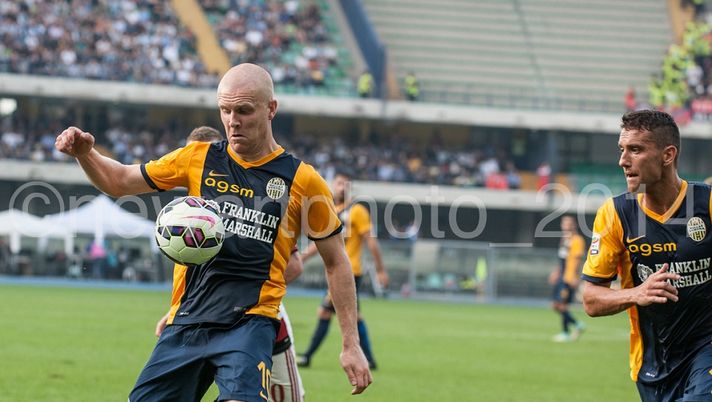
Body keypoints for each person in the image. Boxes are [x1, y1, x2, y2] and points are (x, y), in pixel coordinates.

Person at [55, 63, 372, 402]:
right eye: (225, 110)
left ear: (271, 109)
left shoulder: (303, 180)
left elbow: (336, 261)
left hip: (249, 324)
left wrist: (350, 344)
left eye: (244, 110)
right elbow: (119, 181)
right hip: (189, 319)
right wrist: (86, 155)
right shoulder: (198, 157)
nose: (233, 120)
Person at [152, 126, 306, 402]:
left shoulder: (250, 204)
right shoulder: (185, 216)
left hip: (259, 321)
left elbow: (294, 265)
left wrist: (245, 287)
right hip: (198, 318)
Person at [582, 110, 712, 401]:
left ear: (668, 155)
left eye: (635, 150)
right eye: (622, 150)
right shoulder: (616, 213)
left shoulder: (707, 203)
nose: (623, 160)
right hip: (654, 366)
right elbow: (590, 298)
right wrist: (636, 293)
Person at [298, 169, 388, 370]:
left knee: (324, 312)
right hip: (339, 271)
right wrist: (302, 257)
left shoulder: (357, 211)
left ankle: (307, 356)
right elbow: (322, 242)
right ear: (332, 185)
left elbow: (371, 241)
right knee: (355, 316)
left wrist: (380, 270)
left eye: (346, 184)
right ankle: (370, 359)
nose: (341, 188)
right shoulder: (333, 210)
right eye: (339, 183)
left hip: (350, 271)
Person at [548, 215, 586, 342]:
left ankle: (565, 332)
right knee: (555, 305)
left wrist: (576, 277)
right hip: (561, 277)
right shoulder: (564, 239)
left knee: (562, 305)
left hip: (569, 278)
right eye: (564, 223)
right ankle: (577, 324)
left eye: (568, 224)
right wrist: (556, 272)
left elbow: (577, 260)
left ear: (574, 225)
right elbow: (562, 259)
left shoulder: (577, 240)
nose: (566, 226)